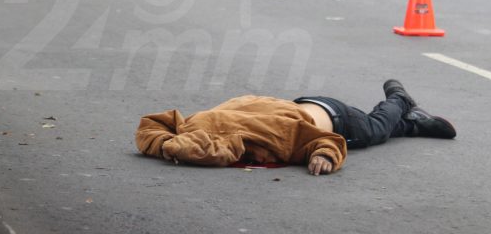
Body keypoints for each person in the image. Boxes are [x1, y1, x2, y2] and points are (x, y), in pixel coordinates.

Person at [135, 80, 455, 175]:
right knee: (384, 130)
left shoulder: (274, 136)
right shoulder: (195, 121)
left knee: (375, 129)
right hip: (300, 103)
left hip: (338, 119)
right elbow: (152, 125)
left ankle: (399, 100)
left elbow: (326, 141)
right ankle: (412, 125)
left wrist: (326, 158)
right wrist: (166, 143)